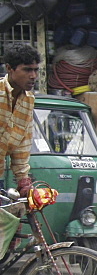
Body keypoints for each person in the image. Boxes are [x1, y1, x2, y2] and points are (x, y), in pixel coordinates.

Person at [1, 43, 39, 200]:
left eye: (35, 70)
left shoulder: (28, 101)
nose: (33, 76)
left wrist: (24, 181)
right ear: (10, 69)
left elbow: (22, 145)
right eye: (27, 70)